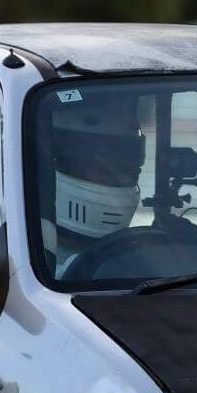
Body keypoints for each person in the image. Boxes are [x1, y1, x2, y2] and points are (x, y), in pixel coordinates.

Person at [39, 93, 147, 278]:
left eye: (127, 169)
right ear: (57, 164)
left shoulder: (138, 256)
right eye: (104, 169)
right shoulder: (33, 264)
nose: (118, 177)